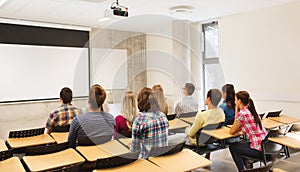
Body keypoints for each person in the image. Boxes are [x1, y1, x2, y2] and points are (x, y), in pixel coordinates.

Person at [229, 91, 267, 172]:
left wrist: (236, 108)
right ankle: (246, 168)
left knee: (233, 147)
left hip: (258, 150)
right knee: (241, 144)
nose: (234, 102)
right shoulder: (252, 111)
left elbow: (232, 131)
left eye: (235, 100)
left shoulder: (242, 114)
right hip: (266, 146)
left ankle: (242, 170)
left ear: (239, 101)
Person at [131, 87, 169, 158]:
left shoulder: (139, 121)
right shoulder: (162, 116)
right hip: (163, 157)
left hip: (147, 161)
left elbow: (134, 150)